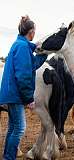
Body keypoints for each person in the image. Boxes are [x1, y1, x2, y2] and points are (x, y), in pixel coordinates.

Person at [0, 15, 47, 160]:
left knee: (13, 127)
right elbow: (23, 75)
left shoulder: (20, 45)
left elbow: (31, 65)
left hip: (10, 94)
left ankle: (7, 156)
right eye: (34, 31)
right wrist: (28, 98)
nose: (35, 34)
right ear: (31, 31)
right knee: (19, 128)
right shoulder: (22, 47)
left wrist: (41, 52)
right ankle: (9, 157)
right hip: (15, 95)